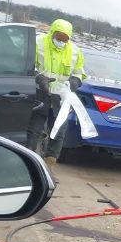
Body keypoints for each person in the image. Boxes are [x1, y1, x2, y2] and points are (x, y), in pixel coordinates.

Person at [26, 18, 86, 158]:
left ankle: (50, 164)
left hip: (60, 99)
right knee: (33, 132)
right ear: (52, 32)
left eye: (65, 39)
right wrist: (39, 78)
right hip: (40, 94)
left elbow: (79, 73)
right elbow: (28, 65)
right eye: (59, 38)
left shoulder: (75, 51)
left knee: (58, 134)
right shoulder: (38, 43)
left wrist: (74, 82)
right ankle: (29, 159)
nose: (61, 41)